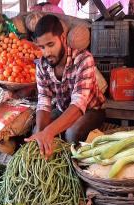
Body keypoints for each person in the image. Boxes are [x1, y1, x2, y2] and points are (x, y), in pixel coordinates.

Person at [25, 14, 106, 158]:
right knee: (35, 132)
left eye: (51, 45)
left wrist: (49, 132)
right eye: (42, 47)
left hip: (91, 110)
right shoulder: (42, 65)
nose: (47, 52)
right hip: (63, 109)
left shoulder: (83, 59)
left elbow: (78, 105)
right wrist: (41, 133)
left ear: (62, 39)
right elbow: (43, 102)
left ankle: (72, 166)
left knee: (71, 133)